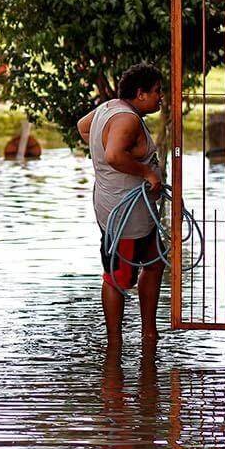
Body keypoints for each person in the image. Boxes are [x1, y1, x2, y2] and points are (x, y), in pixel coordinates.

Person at [76, 63, 165, 347]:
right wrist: (147, 173)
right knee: (119, 276)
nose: (160, 98)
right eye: (157, 92)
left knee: (155, 262)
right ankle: (115, 342)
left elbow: (82, 128)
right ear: (140, 94)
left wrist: (101, 155)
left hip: (126, 208)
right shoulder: (127, 120)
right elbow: (114, 156)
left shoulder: (109, 107)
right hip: (125, 213)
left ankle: (149, 334)